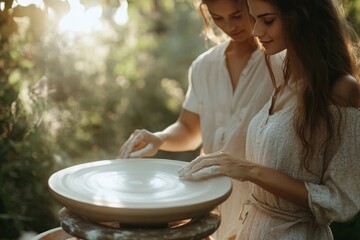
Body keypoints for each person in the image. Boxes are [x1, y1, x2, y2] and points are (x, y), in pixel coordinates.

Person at [179, 0, 360, 239]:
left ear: (302, 16)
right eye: (255, 19)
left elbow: (339, 200)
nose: (255, 31)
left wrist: (248, 170)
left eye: (268, 20)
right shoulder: (286, 77)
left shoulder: (342, 90)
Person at [118, 0, 284, 239]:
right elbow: (189, 129)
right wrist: (160, 138)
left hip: (263, 209)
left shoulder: (281, 62)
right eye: (218, 18)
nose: (229, 26)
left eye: (237, 15)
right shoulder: (204, 66)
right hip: (210, 203)